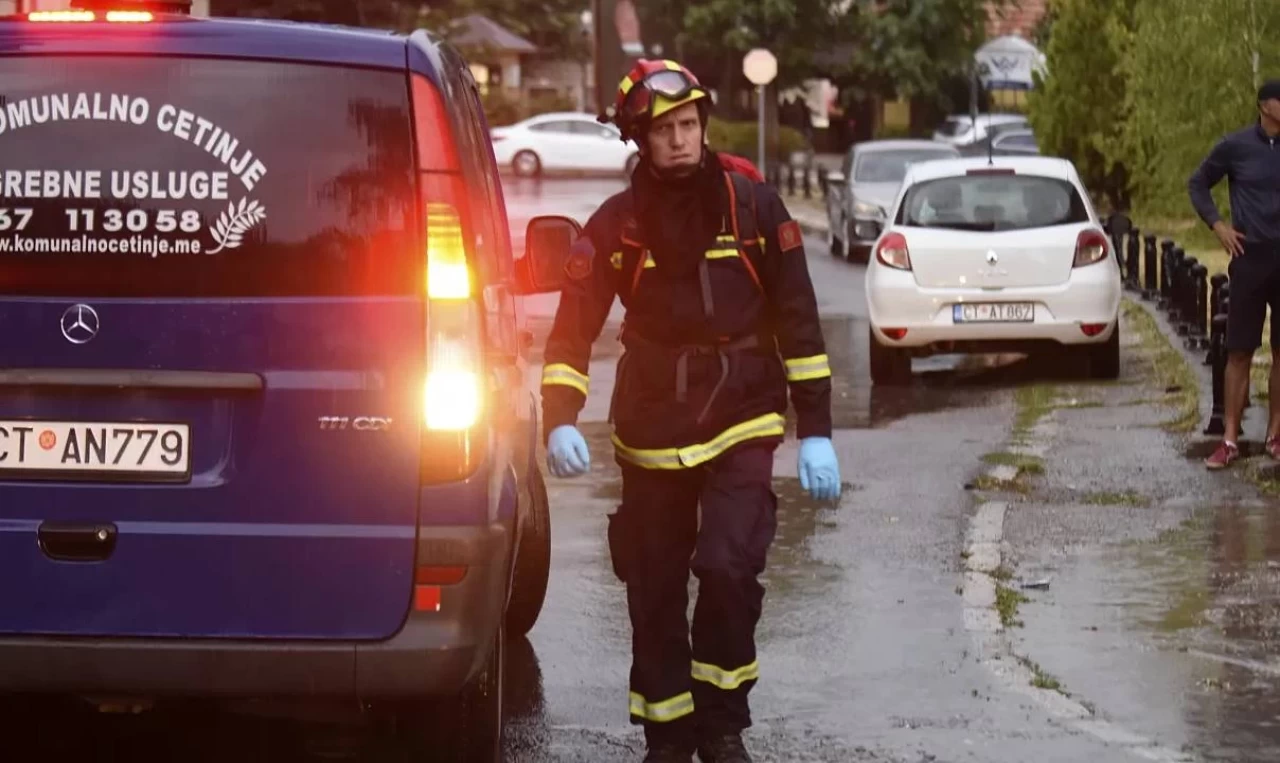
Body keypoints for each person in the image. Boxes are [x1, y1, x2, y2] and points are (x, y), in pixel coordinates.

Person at [539, 59, 842, 763]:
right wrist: (558, 413)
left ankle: (722, 720)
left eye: (687, 125)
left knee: (730, 565)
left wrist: (817, 431)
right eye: (664, 130)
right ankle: (669, 729)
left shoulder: (754, 207)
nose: (679, 140)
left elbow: (799, 320)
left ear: (702, 124)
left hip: (744, 409)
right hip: (651, 423)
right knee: (653, 579)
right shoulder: (617, 226)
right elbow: (572, 326)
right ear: (639, 141)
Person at [1189, 79, 1280, 469]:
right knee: (1240, 350)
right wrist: (1218, 226)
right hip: (1249, 259)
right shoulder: (1236, 146)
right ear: (1264, 105)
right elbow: (1197, 184)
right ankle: (1229, 440)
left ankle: (1275, 435)